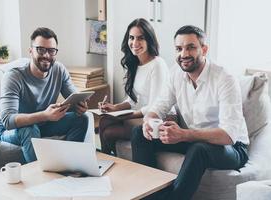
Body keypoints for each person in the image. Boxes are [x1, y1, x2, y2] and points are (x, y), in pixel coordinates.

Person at [131, 25, 249, 200]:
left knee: (199, 149)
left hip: (231, 148)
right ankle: (148, 193)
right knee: (138, 133)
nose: (184, 54)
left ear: (204, 49)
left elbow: (228, 135)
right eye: (179, 49)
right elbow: (158, 107)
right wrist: (150, 121)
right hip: (192, 139)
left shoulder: (224, 79)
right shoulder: (176, 74)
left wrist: (184, 134)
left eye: (191, 47)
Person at [0, 27, 89, 163]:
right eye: (41, 49)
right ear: (31, 51)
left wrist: (80, 105)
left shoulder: (58, 70)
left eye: (51, 50)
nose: (46, 55)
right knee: (30, 129)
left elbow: (74, 96)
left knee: (81, 119)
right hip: (11, 131)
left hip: (43, 124)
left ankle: (72, 165)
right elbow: (8, 120)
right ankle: (41, 180)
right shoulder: (13, 77)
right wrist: (45, 115)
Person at [98, 18, 169, 155]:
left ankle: (108, 160)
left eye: (140, 38)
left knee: (108, 130)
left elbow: (155, 106)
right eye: (131, 38)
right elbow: (132, 100)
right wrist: (115, 108)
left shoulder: (157, 65)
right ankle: (106, 162)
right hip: (140, 116)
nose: (135, 43)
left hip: (154, 119)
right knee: (104, 119)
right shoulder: (135, 64)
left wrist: (124, 116)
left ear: (149, 40)